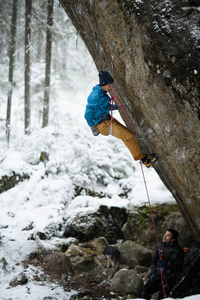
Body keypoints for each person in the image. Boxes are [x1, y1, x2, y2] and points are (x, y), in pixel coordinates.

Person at [84, 70, 158, 168]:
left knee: (127, 135)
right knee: (128, 137)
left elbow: (103, 107)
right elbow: (87, 114)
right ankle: (145, 160)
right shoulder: (95, 96)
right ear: (103, 84)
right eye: (109, 85)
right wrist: (93, 127)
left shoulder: (102, 93)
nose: (111, 87)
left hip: (108, 120)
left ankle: (142, 157)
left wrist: (116, 107)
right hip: (103, 125)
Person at [141, 228, 184, 299]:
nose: (164, 236)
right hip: (157, 276)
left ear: (173, 239)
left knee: (161, 297)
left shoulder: (178, 250)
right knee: (143, 292)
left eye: (168, 235)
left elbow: (178, 268)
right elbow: (154, 261)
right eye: (165, 234)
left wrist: (166, 265)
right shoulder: (160, 245)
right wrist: (153, 273)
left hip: (168, 280)